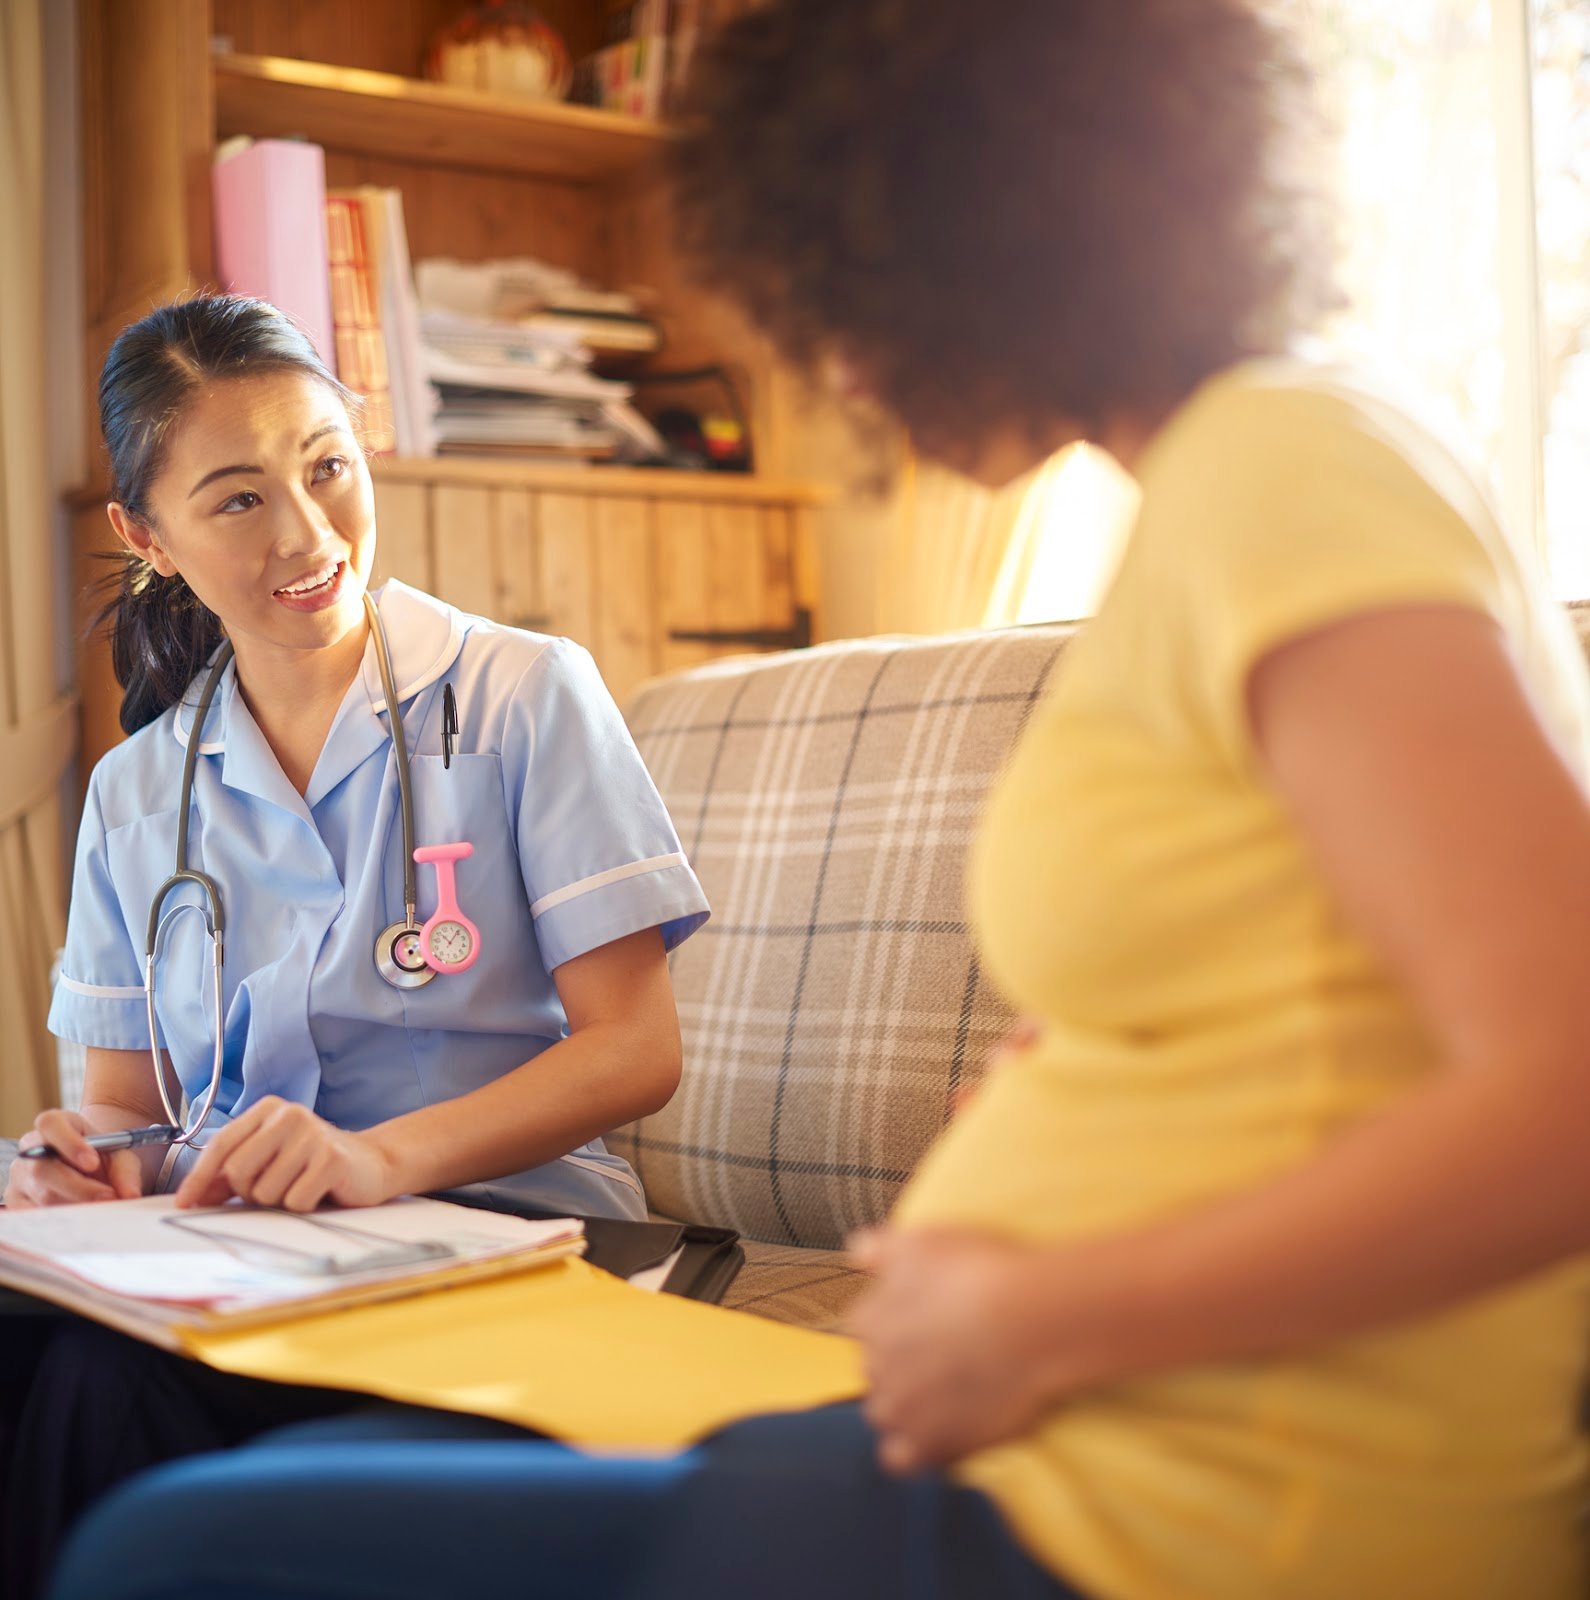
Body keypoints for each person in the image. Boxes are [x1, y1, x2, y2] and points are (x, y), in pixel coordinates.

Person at [46, 1, 1590, 1597]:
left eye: (842, 298)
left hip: (1195, 1510)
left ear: (992, 235)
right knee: (216, 1468)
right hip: (1058, 1436)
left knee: (176, 1553)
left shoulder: (1291, 471)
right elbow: (1302, 992)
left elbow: (1565, 1088)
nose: (837, 364)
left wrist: (1039, 1309)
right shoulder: (1218, 499)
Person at [0, 292, 708, 1594]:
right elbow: (125, 1115)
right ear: (144, 536)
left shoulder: (521, 694)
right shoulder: (138, 789)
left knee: (101, 1400)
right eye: (236, 499)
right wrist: (78, 1162)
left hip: (504, 1237)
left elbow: (634, 1050)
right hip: (240, 1256)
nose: (309, 533)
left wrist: (376, 1160)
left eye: (325, 465)